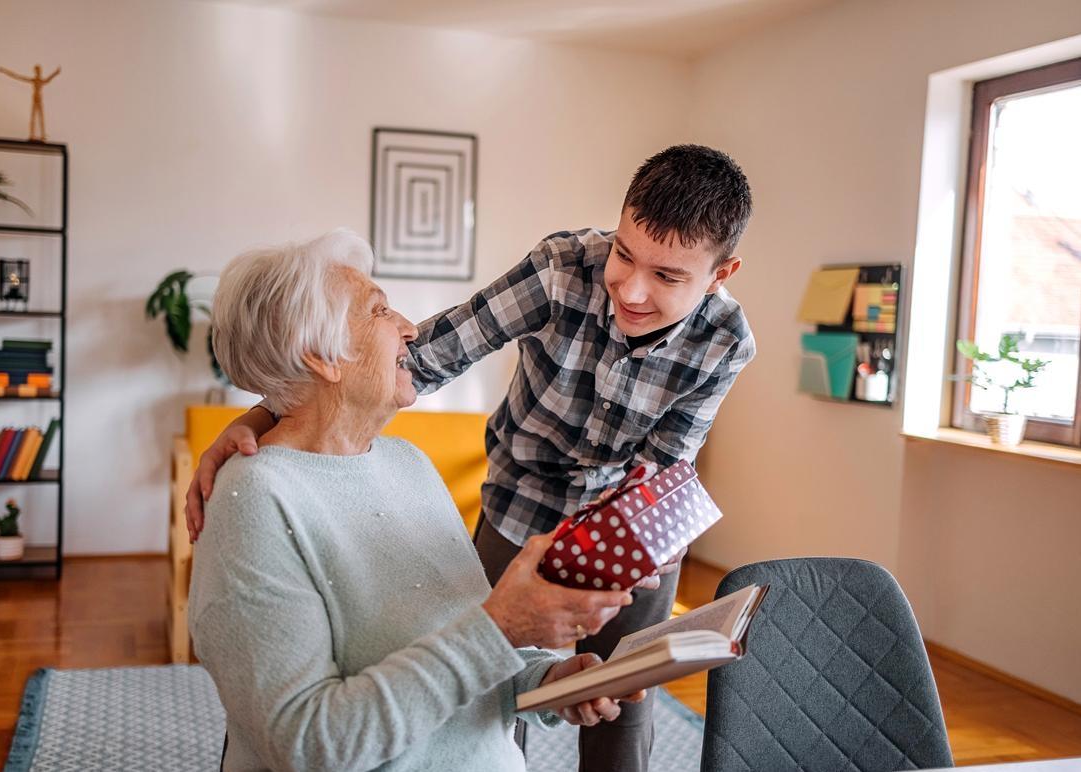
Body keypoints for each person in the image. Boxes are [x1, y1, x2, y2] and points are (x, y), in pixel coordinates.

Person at [189, 144, 756, 771]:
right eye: (624, 254)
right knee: (491, 654)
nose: (632, 288)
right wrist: (266, 414)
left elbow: (662, 469)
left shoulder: (726, 341)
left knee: (619, 700)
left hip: (631, 517)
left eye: (668, 277)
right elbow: (417, 356)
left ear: (720, 274)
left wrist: (550, 665)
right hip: (522, 499)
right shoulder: (562, 269)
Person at [189, 231, 644, 772]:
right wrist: (501, 626)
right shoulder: (254, 502)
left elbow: (466, 647)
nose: (410, 329)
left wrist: (547, 678)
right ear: (321, 356)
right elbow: (311, 745)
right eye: (380, 310)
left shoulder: (407, 462)